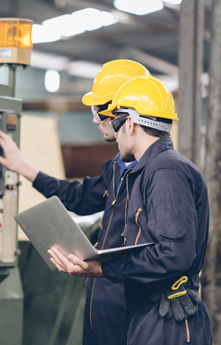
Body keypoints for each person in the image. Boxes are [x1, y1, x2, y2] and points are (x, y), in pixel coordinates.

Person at [0, 59, 150, 345]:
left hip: (135, 310)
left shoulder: (157, 176)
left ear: (122, 114)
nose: (93, 119)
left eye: (98, 111)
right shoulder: (116, 169)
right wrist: (24, 168)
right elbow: (80, 198)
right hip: (103, 304)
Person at [48, 75, 212, 344]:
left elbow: (174, 254)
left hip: (167, 316)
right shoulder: (146, 170)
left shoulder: (165, 170)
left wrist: (102, 269)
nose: (115, 136)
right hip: (147, 310)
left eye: (116, 124)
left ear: (131, 124)